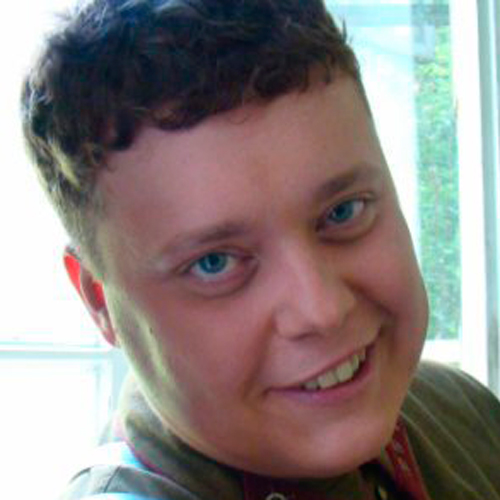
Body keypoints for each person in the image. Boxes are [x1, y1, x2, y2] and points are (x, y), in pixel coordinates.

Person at [21, 0, 500, 498]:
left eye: (344, 212)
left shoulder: (464, 414)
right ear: (100, 302)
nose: (323, 310)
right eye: (214, 263)